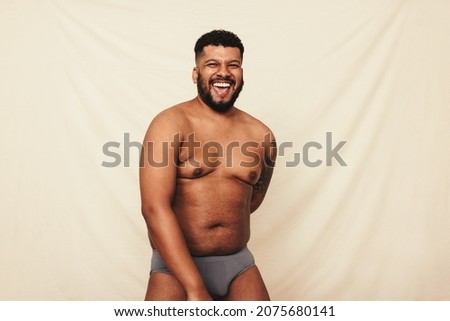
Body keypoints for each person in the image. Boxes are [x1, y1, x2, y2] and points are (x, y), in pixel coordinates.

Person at [140, 30, 276, 301]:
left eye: (232, 65)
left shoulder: (262, 135)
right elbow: (154, 208)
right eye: (212, 64)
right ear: (195, 73)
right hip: (174, 268)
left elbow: (252, 199)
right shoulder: (169, 124)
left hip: (238, 266)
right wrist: (195, 287)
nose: (223, 72)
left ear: (241, 72)